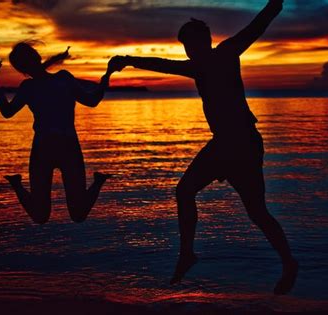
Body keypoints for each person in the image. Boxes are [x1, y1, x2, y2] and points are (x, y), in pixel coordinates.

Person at [113, 0, 298, 294]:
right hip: (224, 144)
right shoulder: (197, 66)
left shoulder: (224, 54)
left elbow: (256, 27)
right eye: (186, 45)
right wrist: (129, 59)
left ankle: (288, 263)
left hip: (243, 143)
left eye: (192, 43)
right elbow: (165, 65)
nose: (189, 50)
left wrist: (274, 5)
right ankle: (187, 253)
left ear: (205, 41)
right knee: (186, 191)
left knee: (257, 211)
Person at [0, 41, 123, 225]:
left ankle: (98, 181)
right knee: (46, 215)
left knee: (72, 215)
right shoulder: (32, 87)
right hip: (48, 149)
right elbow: (8, 112)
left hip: (63, 147)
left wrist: (107, 75)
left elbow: (91, 101)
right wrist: (106, 75)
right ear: (35, 58)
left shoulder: (59, 80)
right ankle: (16, 183)